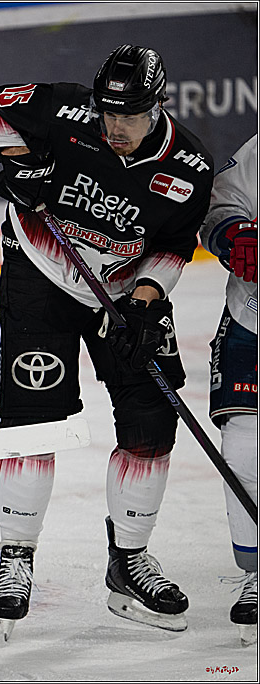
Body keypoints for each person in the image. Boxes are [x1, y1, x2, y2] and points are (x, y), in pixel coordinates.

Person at [0, 44, 214, 637]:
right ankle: (16, 555)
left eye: (130, 115)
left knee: (152, 417)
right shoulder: (64, 109)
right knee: (31, 418)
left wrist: (148, 301)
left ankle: (128, 560)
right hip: (39, 277)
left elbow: (176, 245)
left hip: (126, 293)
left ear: (159, 107)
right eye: (108, 113)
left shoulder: (189, 168)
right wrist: (18, 160)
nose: (115, 127)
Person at [199, 134, 257, 646]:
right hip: (251, 321)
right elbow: (222, 202)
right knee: (243, 445)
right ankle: (255, 572)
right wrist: (233, 234)